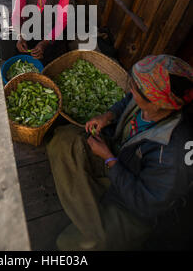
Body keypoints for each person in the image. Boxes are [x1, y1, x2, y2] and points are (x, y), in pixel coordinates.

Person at [46, 54, 193, 251]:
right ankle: (95, 196)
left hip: (131, 204)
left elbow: (144, 203)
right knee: (64, 141)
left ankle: (94, 205)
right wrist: (108, 116)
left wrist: (109, 159)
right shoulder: (146, 97)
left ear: (157, 103)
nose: (131, 89)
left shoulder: (172, 156)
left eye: (135, 87)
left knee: (85, 244)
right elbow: (127, 101)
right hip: (116, 154)